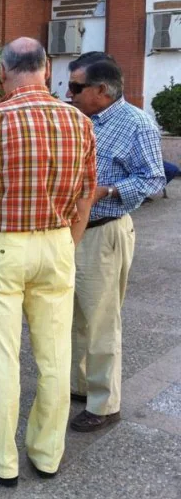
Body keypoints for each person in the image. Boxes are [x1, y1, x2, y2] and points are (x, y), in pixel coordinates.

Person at [0, 38, 97, 486]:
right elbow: (87, 192)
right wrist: (69, 240)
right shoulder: (77, 119)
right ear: (47, 68)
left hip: (1, 245)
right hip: (55, 243)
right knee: (55, 356)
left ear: (2, 71)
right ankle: (47, 453)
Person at [65, 53, 165, 433]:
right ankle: (81, 387)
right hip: (67, 231)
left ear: (101, 91)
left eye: (76, 87)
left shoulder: (137, 124)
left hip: (103, 232)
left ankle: (105, 403)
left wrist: (104, 191)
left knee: (101, 319)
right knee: (72, 315)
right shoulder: (76, 118)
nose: (68, 93)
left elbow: (154, 179)